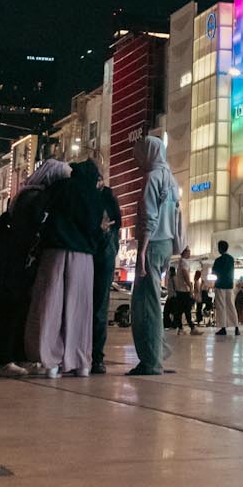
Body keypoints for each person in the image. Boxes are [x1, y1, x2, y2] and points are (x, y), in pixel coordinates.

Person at [0, 158, 67, 374]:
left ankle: (10, 356)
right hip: (18, 264)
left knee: (15, 309)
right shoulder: (35, 198)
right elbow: (30, 231)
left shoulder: (26, 195)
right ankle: (3, 359)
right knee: (12, 310)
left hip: (13, 262)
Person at [25, 158, 104, 376]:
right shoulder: (94, 195)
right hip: (84, 256)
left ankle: (51, 361)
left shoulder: (59, 188)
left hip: (56, 251)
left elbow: (39, 215)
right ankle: (81, 362)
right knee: (80, 309)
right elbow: (97, 227)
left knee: (51, 305)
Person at [130, 134, 184, 375]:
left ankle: (151, 361)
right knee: (152, 303)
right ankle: (156, 356)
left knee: (145, 305)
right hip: (166, 245)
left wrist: (141, 251)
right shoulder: (170, 179)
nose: (137, 159)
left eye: (140, 154)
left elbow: (149, 216)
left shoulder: (152, 177)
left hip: (152, 245)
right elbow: (176, 217)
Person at [83, 159, 124, 375]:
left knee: (97, 306)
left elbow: (117, 222)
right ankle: (89, 355)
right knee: (92, 306)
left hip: (98, 254)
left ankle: (95, 356)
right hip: (91, 254)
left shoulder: (105, 195)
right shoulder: (86, 195)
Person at [211, 240, 240, 335]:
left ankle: (223, 328)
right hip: (229, 285)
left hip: (220, 285)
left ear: (220, 249)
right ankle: (236, 327)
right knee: (231, 305)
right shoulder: (231, 259)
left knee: (221, 307)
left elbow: (214, 272)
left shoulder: (218, 260)